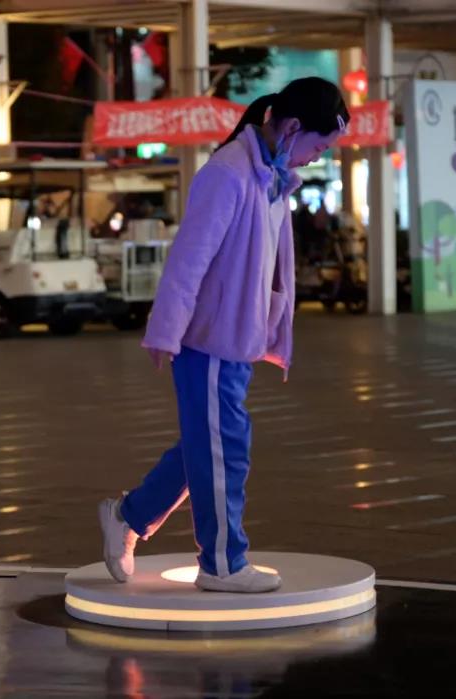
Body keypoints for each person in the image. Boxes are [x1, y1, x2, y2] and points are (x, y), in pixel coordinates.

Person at [98, 78, 350, 594]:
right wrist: (165, 331)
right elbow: (188, 259)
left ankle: (129, 515)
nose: (317, 158)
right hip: (209, 341)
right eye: (320, 146)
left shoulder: (269, 176)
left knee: (206, 445)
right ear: (293, 127)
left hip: (234, 340)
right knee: (223, 450)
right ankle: (222, 564)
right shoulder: (229, 173)